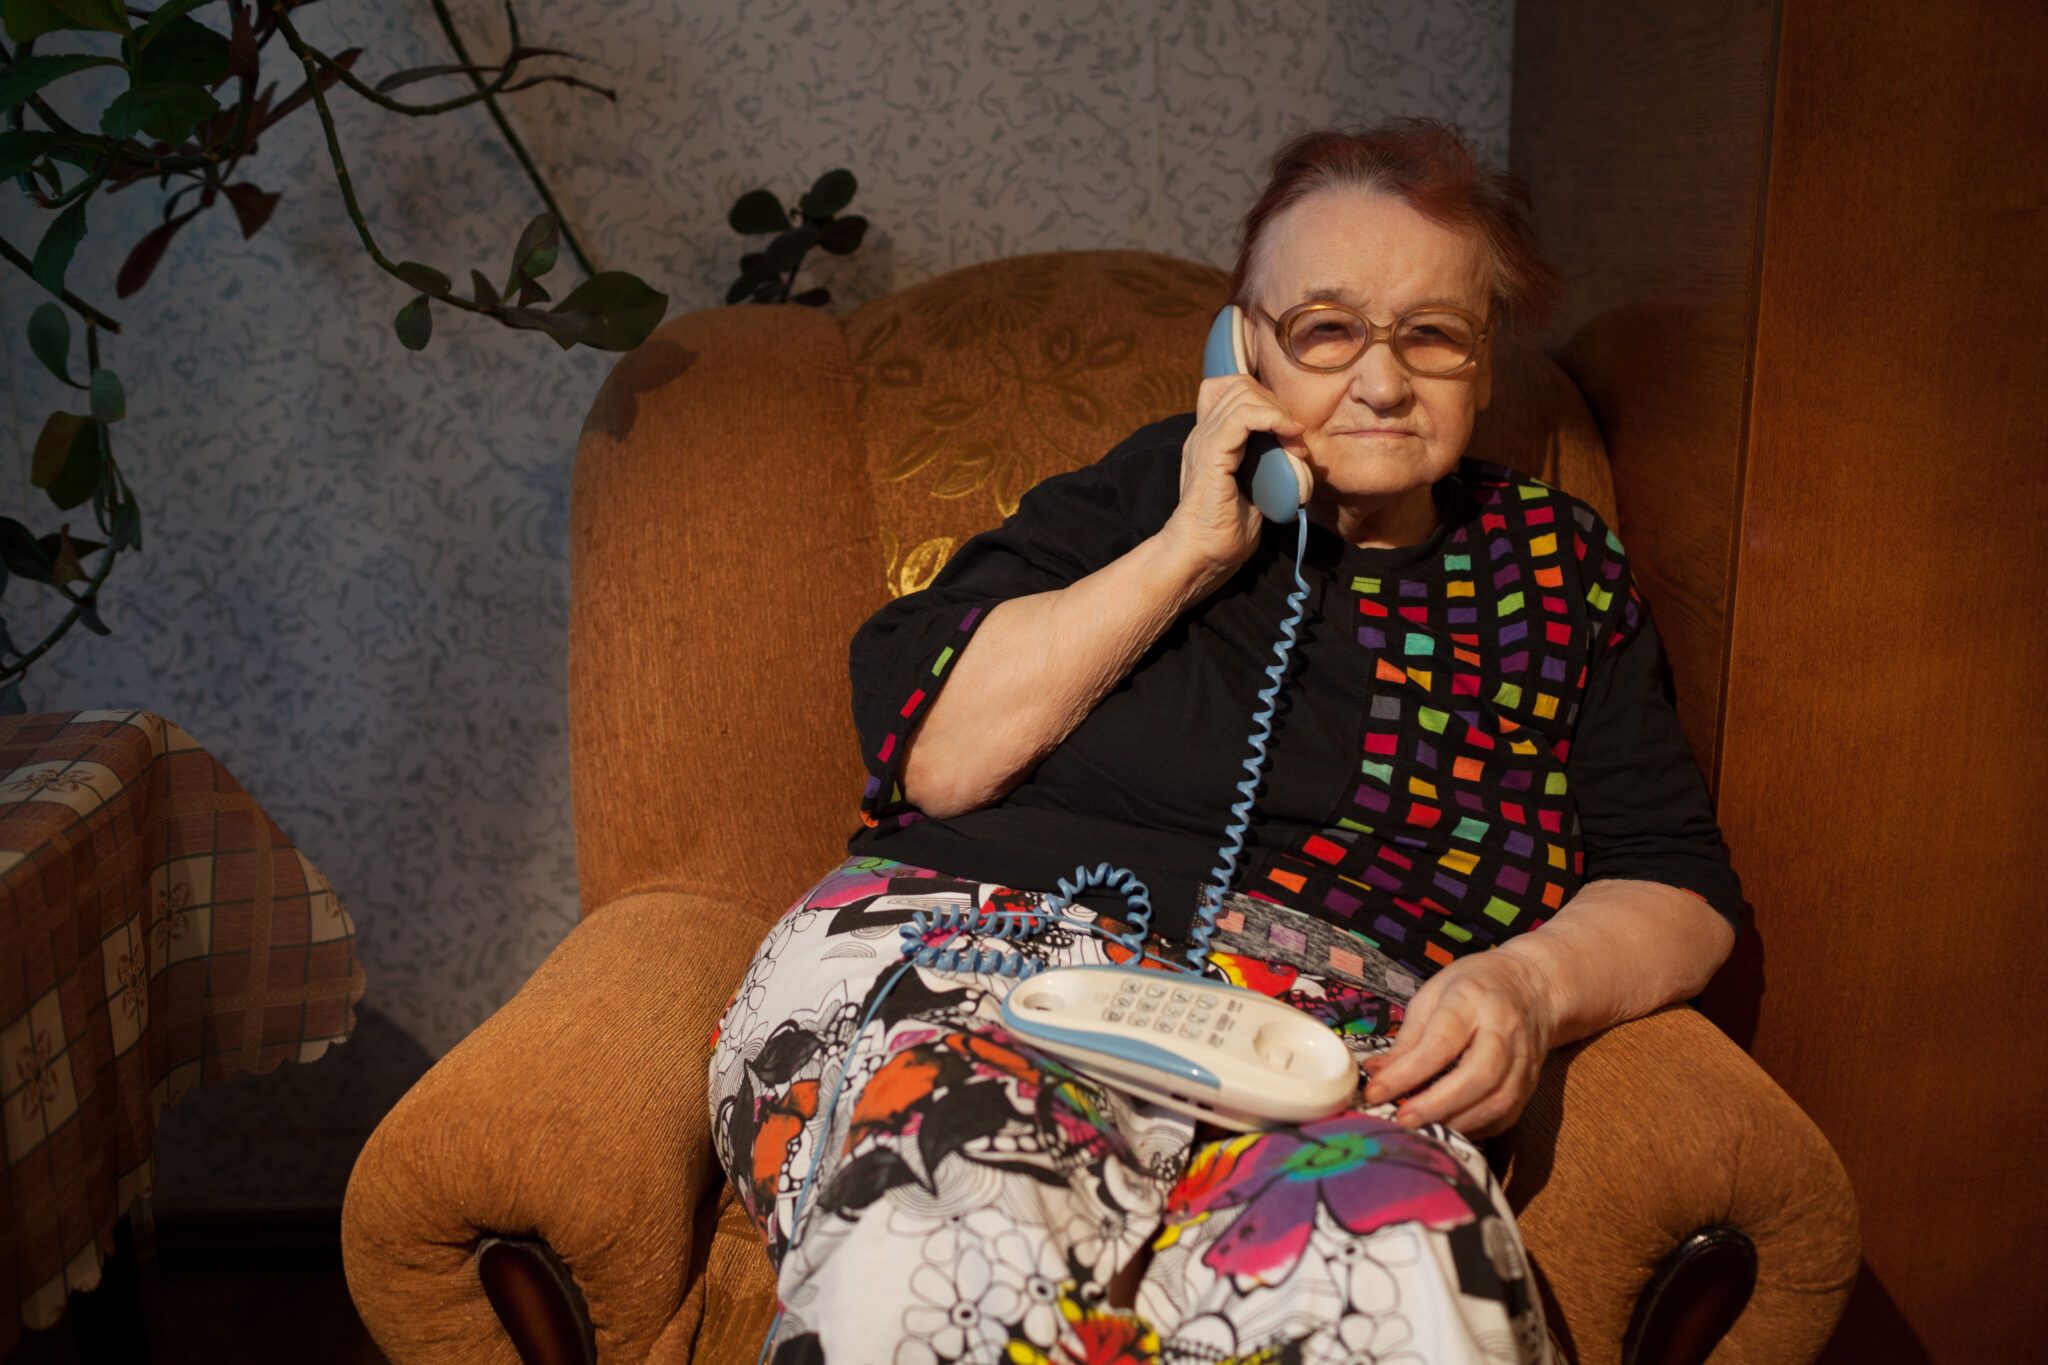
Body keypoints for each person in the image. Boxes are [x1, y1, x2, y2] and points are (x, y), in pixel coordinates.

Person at [709, 117, 1741, 1365]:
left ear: (1482, 360)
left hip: (1329, 1058)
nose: (1378, 380)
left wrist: (1527, 984)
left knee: (1409, 1278)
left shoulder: (1554, 570)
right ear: (1242, 348)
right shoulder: (1153, 491)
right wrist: (1188, 550)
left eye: (1430, 334)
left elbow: (1673, 881)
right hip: (977, 969)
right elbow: (937, 753)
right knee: (956, 1220)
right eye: (1323, 329)